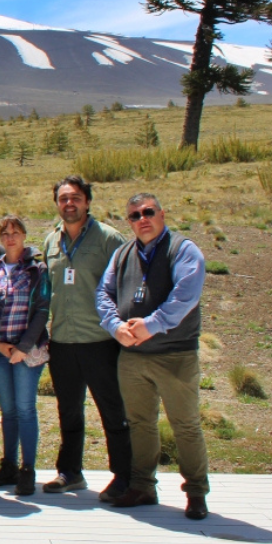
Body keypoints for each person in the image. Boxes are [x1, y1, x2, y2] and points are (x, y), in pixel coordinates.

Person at [97, 193, 209, 520]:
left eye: (148, 212)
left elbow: (187, 293)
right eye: (134, 215)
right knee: (140, 423)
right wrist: (115, 326)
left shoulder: (183, 250)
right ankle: (143, 486)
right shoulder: (123, 254)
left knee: (185, 425)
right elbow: (104, 293)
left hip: (175, 355)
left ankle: (196, 492)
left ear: (162, 213)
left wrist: (152, 325)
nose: (142, 219)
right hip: (132, 355)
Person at [41, 175, 132, 500]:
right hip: (63, 341)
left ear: (87, 201)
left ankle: (124, 476)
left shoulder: (109, 239)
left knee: (112, 409)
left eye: (75, 198)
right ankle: (70, 472)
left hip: (101, 341)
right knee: (68, 410)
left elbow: (127, 286)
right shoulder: (51, 242)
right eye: (63, 198)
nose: (69, 204)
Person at [0, 215, 51, 496]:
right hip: (0, 350)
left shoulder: (37, 268)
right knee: (7, 410)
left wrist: (23, 347)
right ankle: (8, 464)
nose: (10, 237)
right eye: (5, 232)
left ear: (24, 235)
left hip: (28, 350)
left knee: (25, 409)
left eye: (15, 232)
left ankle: (27, 469)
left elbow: (42, 309)